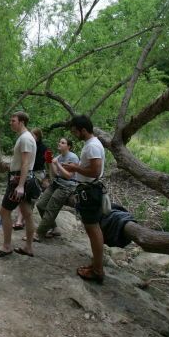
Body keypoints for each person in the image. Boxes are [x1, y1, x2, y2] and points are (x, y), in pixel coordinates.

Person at [62, 115, 106, 283]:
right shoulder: (91, 145)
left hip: (91, 191)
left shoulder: (93, 146)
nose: (74, 135)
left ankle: (98, 270)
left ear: (83, 130)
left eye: (75, 131)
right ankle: (96, 265)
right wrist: (76, 168)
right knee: (92, 229)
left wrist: (75, 168)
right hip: (89, 190)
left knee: (93, 229)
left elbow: (95, 171)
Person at [0, 111, 38, 258]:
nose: (11, 123)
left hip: (19, 180)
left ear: (22, 122)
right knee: (27, 213)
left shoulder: (25, 139)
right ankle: (28, 247)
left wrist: (20, 185)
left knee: (4, 212)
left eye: (13, 120)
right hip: (23, 178)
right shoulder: (26, 138)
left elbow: (25, 163)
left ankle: (7, 246)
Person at [33, 137, 79, 240]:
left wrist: (57, 163)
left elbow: (68, 175)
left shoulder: (73, 157)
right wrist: (50, 162)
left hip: (67, 186)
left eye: (63, 142)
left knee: (50, 209)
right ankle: (54, 228)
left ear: (68, 146)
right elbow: (55, 174)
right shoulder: (58, 157)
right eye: (60, 142)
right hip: (56, 183)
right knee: (41, 205)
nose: (59, 143)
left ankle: (39, 233)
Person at [13, 127, 49, 230]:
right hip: (28, 172)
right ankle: (21, 220)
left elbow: (48, 163)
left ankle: (21, 220)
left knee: (29, 195)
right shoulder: (28, 145)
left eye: (33, 135)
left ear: (37, 137)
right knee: (23, 195)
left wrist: (47, 177)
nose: (30, 137)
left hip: (37, 173)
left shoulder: (44, 148)